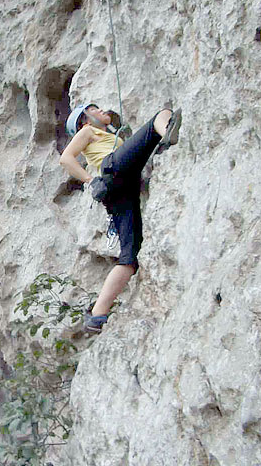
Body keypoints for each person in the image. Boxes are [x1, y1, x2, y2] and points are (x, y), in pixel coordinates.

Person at [59, 104, 182, 332]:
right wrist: (90, 180)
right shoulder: (88, 132)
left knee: (130, 257)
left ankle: (97, 315)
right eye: (94, 110)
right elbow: (66, 158)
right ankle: (168, 131)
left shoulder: (106, 136)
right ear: (85, 121)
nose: (102, 110)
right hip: (112, 171)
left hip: (119, 189)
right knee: (161, 114)